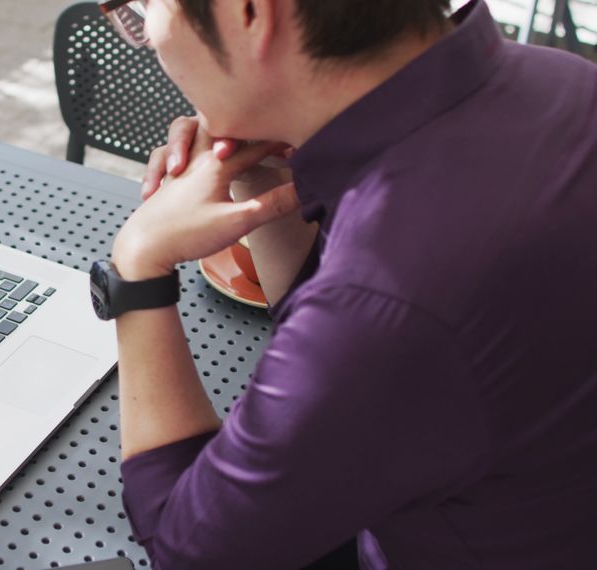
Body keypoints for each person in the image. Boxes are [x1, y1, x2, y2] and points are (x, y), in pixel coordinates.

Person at [95, 0, 597, 567]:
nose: (149, 36)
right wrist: (254, 174)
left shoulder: (388, 296)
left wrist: (137, 268)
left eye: (147, 6)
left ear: (250, 13)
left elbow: (188, 547)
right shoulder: (562, 77)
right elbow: (350, 356)